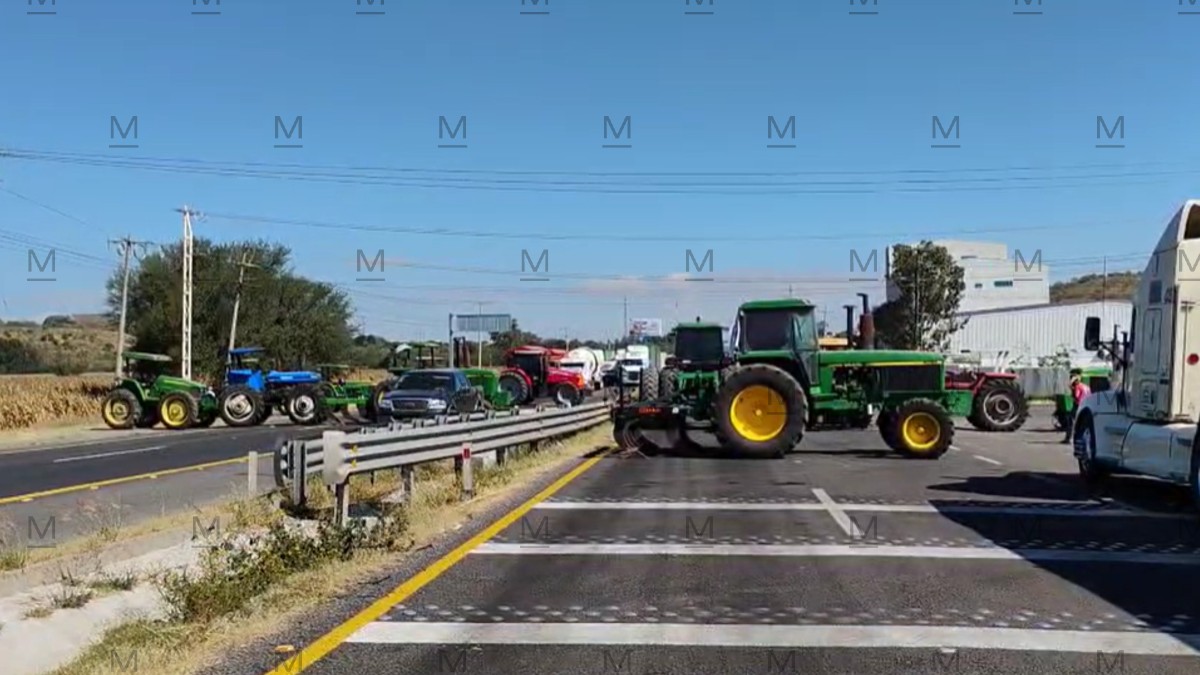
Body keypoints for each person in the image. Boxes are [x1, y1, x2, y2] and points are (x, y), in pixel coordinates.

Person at [1062, 369, 1090, 444]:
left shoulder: (1078, 387)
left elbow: (1076, 396)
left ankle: (1069, 438)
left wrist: (1071, 388)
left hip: (1078, 405)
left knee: (1071, 421)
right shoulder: (1086, 387)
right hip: (1086, 405)